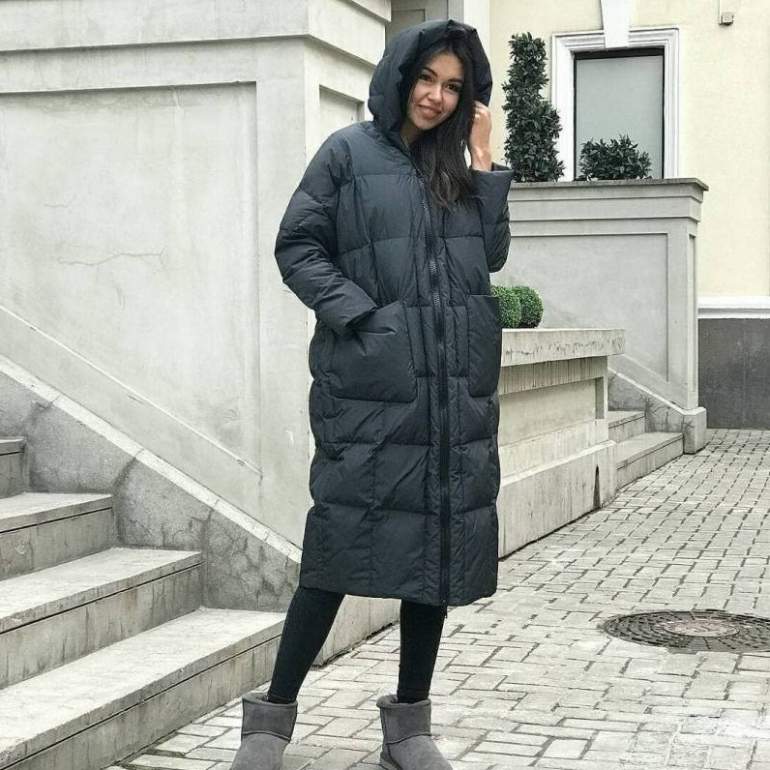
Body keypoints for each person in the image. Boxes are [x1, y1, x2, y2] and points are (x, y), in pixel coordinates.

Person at [232, 17, 514, 770]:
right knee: (335, 549)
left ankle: (409, 731)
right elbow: (297, 245)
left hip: (452, 395)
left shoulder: (458, 167)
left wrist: (485, 162)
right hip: (369, 393)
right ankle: (269, 723)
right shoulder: (346, 154)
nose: (436, 96)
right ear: (399, 76)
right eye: (426, 79)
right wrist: (363, 317)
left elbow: (489, 256)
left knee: (435, 560)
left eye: (453, 86)